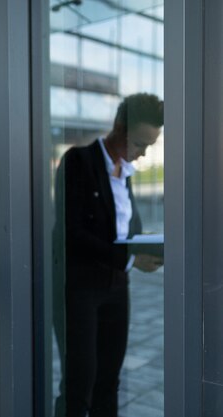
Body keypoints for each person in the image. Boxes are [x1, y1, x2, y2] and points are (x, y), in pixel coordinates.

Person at [52, 93, 164, 417]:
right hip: (80, 291)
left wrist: (150, 248)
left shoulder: (125, 173)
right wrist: (130, 260)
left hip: (117, 288)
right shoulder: (78, 161)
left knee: (109, 383)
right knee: (79, 384)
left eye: (149, 146)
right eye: (140, 144)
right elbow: (72, 233)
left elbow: (124, 231)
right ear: (119, 127)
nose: (142, 154)